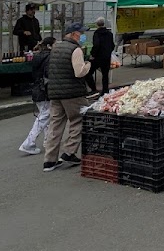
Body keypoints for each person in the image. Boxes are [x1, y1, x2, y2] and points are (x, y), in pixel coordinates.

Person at [43, 21, 92, 172]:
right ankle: (69, 152)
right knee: (79, 120)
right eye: (81, 33)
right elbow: (79, 72)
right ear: (73, 34)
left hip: (55, 92)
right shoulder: (75, 50)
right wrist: (88, 65)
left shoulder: (56, 47)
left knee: (55, 125)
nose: (83, 36)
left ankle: (49, 161)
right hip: (72, 93)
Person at [19, 37, 54, 155]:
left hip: (38, 89)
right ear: (50, 46)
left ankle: (47, 141)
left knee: (45, 117)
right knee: (44, 117)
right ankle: (29, 143)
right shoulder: (49, 58)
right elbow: (49, 74)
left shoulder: (37, 56)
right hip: (45, 90)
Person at [87, 16, 115, 93]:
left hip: (97, 57)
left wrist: (92, 54)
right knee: (105, 75)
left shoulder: (97, 33)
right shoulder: (110, 33)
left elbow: (96, 45)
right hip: (106, 57)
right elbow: (112, 45)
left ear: (97, 24)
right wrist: (108, 52)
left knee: (89, 72)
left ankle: (93, 89)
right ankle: (105, 91)